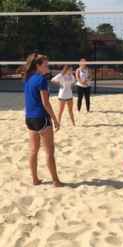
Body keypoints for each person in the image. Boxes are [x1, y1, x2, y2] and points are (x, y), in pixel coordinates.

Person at [22, 53, 64, 187]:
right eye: (45, 66)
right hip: (41, 117)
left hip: (29, 117)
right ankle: (55, 181)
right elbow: (45, 103)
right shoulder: (41, 80)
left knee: (33, 150)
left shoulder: (27, 79)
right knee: (49, 151)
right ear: (37, 65)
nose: (47, 68)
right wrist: (55, 119)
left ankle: (35, 179)